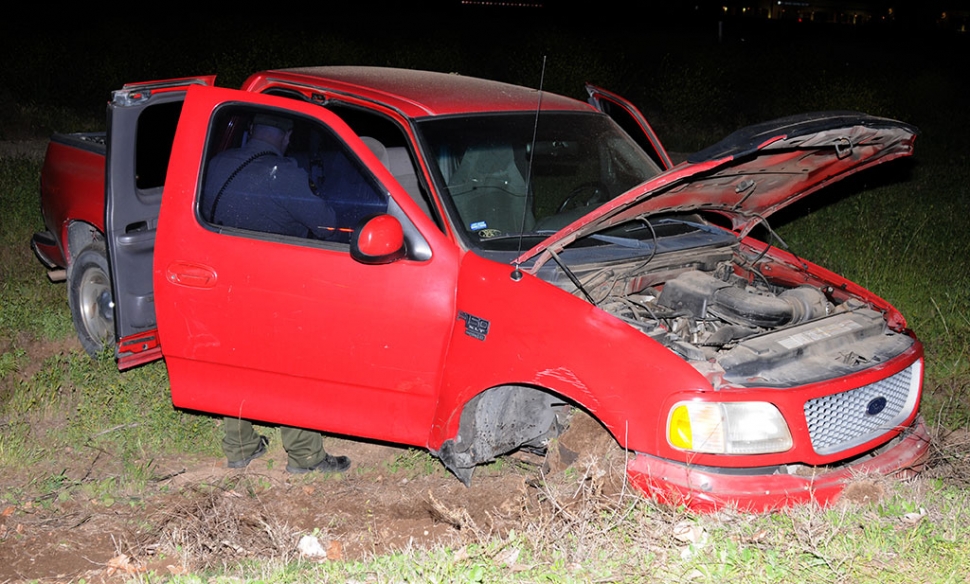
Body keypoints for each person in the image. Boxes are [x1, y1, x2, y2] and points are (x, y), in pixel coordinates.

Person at [203, 113, 350, 474]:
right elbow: (328, 225)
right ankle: (305, 456)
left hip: (224, 283)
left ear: (251, 131)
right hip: (275, 286)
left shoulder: (217, 165)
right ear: (286, 137)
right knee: (292, 369)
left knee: (235, 363)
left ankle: (240, 448)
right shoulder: (284, 174)